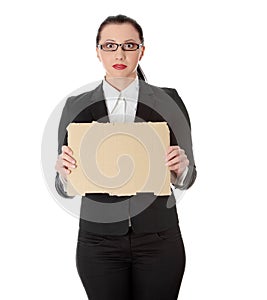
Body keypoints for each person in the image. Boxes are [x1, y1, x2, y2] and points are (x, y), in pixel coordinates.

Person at [55, 14, 197, 300]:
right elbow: (64, 186)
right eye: (109, 45)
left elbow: (189, 176)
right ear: (97, 51)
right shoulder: (75, 106)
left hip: (159, 238)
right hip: (98, 242)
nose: (119, 53)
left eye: (129, 45)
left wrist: (181, 168)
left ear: (141, 51)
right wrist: (62, 173)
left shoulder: (168, 100)